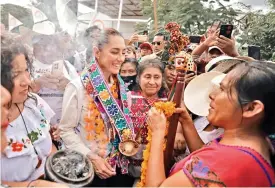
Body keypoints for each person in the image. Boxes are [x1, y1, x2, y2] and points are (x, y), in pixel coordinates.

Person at [144, 61, 275, 187]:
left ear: (251, 108)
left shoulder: (226, 161)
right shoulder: (257, 143)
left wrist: (157, 132)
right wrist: (187, 123)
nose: (212, 95)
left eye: (223, 89)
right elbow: (204, 156)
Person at [59, 28, 136, 187]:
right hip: (88, 168)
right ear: (97, 52)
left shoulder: (120, 85)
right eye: (114, 52)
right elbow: (65, 130)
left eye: (123, 52)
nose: (120, 58)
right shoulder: (78, 86)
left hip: (118, 166)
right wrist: (92, 157)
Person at [1, 34, 65, 187]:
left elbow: (49, 139)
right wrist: (34, 185)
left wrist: (58, 161)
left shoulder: (34, 102)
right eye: (16, 75)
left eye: (26, 71)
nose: (27, 81)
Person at [128, 59, 185, 182]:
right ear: (138, 78)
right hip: (130, 164)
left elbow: (180, 119)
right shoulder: (127, 98)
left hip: (158, 165)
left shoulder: (169, 101)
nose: (152, 82)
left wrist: (179, 133)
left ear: (162, 79)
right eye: (147, 77)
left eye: (156, 77)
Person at [31, 34, 78, 126]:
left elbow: (81, 93)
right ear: (34, 46)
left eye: (49, 41)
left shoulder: (67, 66)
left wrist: (69, 86)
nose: (47, 48)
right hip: (34, 128)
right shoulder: (26, 66)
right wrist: (36, 84)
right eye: (41, 43)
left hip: (62, 127)